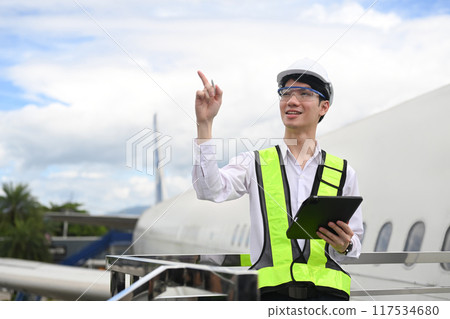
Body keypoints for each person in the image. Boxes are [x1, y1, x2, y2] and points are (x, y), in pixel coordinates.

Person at [192, 58, 363, 301]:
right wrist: (204, 124)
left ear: (323, 107)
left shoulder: (344, 172)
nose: (291, 101)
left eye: (304, 93)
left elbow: (355, 245)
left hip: (328, 300)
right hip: (269, 299)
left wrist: (345, 244)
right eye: (286, 93)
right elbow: (208, 189)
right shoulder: (254, 163)